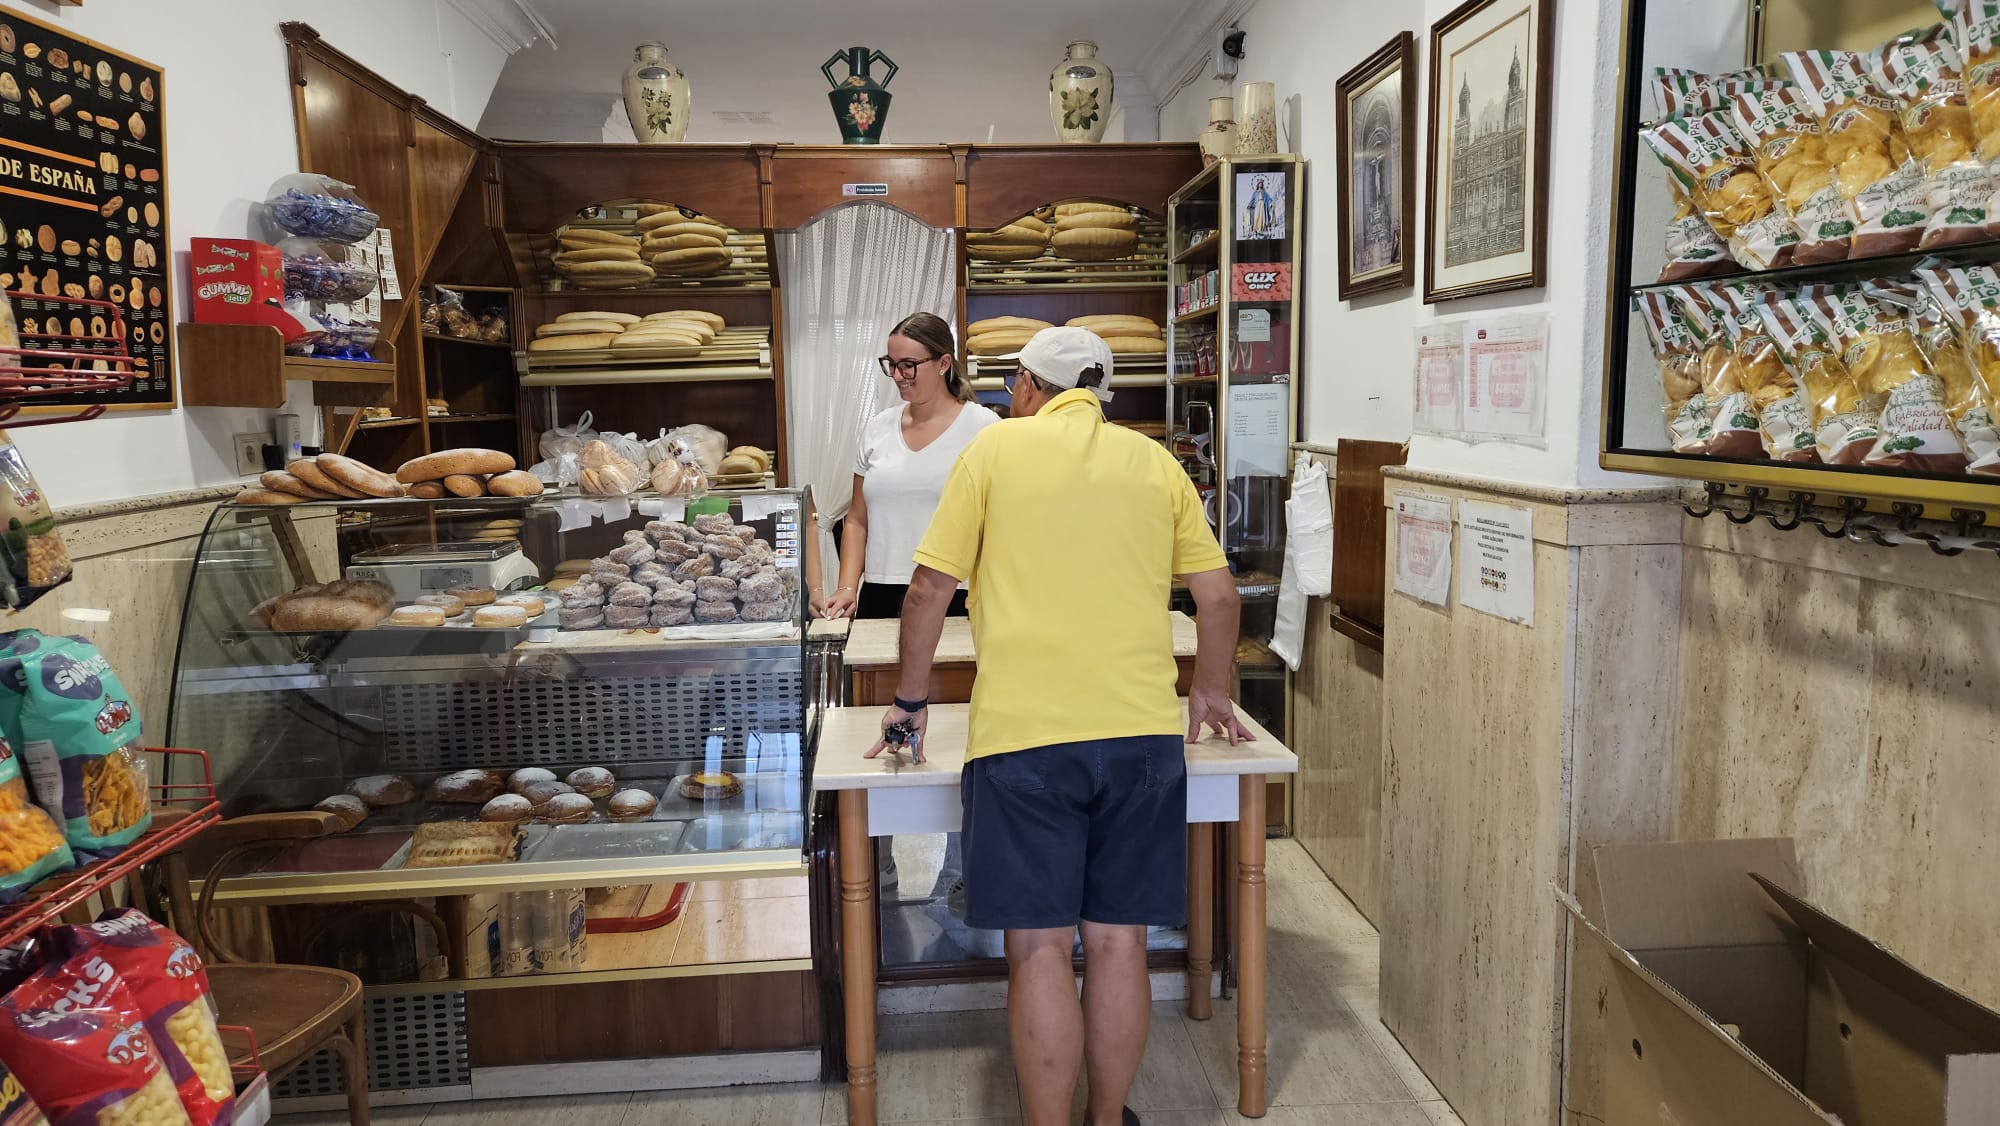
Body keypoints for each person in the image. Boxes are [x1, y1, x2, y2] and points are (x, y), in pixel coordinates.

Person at [867, 327, 1251, 1126]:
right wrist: (1209, 691)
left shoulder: (996, 453)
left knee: (1040, 947)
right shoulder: (1154, 463)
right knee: (1118, 943)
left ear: (1029, 387)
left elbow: (928, 590)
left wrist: (909, 707)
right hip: (1142, 742)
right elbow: (1218, 598)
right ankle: (1106, 1119)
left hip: (1024, 740)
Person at [818, 311, 999, 619]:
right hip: (879, 591)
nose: (898, 376)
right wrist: (847, 588)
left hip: (955, 593)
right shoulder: (878, 428)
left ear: (943, 363)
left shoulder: (983, 427)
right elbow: (857, 520)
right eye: (892, 364)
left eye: (908, 366)